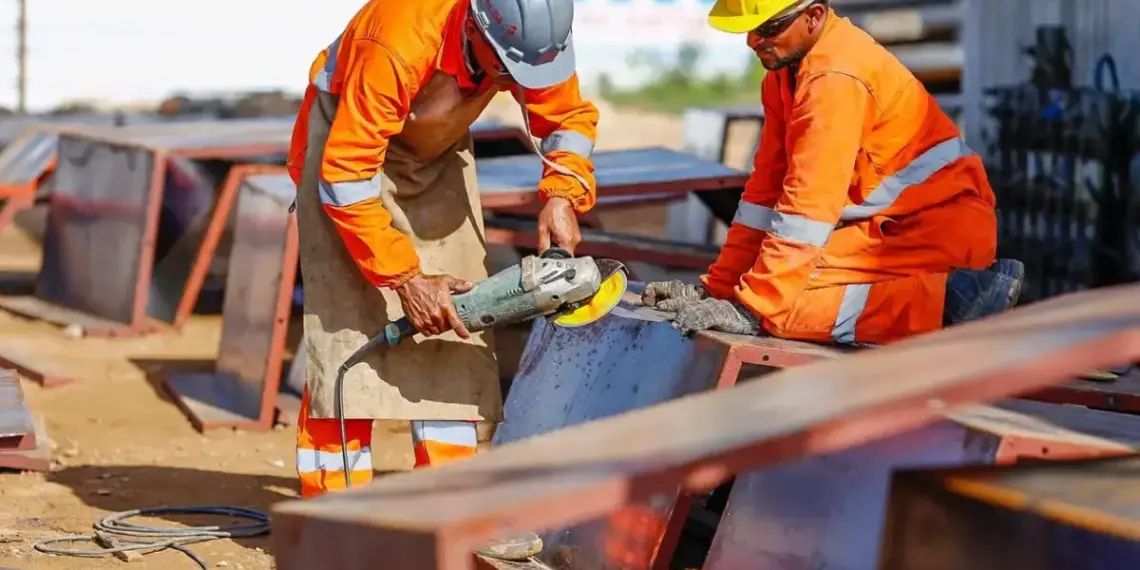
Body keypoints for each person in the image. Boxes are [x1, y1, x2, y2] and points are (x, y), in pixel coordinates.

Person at [286, 0, 598, 559]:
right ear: (474, 27)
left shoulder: (531, 40)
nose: (509, 84)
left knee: (460, 325)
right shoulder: (399, 40)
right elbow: (346, 176)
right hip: (347, 154)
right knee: (345, 341)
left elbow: (568, 121)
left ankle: (455, 516)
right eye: (503, 70)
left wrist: (562, 195)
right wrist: (405, 277)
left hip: (432, 152)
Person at [643, 0, 1024, 344]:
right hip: (899, 225)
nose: (754, 41)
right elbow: (765, 192)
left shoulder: (836, 79)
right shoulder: (784, 75)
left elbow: (807, 209)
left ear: (814, 16)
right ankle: (956, 294)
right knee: (770, 290)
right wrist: (719, 290)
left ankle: (959, 299)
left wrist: (749, 309)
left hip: (937, 231)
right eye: (749, 29)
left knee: (784, 307)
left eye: (769, 28)